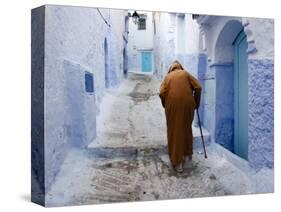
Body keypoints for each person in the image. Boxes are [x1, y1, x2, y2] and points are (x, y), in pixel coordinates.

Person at [159, 60, 202, 173]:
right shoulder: (185, 73)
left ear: (171, 68)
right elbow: (198, 87)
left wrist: (165, 104)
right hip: (188, 104)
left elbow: (161, 92)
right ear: (180, 67)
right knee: (187, 128)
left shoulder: (168, 76)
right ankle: (188, 155)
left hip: (173, 105)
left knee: (175, 131)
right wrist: (196, 103)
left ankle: (178, 162)